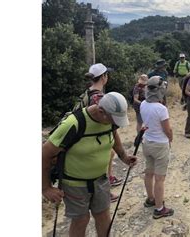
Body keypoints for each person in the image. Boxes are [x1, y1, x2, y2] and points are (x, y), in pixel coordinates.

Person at [42, 92, 137, 237]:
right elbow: (44, 154)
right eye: (114, 119)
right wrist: (46, 188)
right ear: (100, 111)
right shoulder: (74, 123)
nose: (116, 124)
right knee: (81, 219)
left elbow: (113, 135)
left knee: (103, 215)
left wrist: (123, 156)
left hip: (100, 180)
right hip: (75, 184)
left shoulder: (110, 122)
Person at [79, 63, 123, 202]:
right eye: (106, 75)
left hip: (85, 136)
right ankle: (105, 192)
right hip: (95, 138)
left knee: (109, 154)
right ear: (103, 77)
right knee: (103, 159)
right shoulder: (99, 98)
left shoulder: (86, 93)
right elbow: (109, 123)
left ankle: (107, 183)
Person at [140, 76, 175, 219]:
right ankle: (159, 208)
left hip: (146, 142)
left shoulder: (143, 104)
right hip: (160, 144)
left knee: (149, 173)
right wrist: (171, 139)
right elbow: (167, 130)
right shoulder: (161, 109)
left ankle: (151, 199)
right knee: (160, 178)